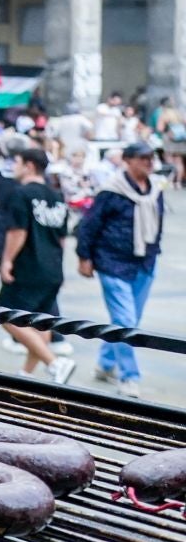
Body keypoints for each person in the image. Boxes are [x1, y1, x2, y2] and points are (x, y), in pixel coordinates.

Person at [75, 140, 164, 397]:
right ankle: (129, 376)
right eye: (143, 157)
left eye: (151, 158)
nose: (149, 162)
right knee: (126, 322)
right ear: (128, 160)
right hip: (112, 263)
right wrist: (84, 257)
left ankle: (105, 364)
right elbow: (89, 225)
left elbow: (157, 225)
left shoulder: (155, 189)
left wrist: (153, 253)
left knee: (128, 321)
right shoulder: (111, 191)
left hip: (145, 262)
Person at [0, 148, 77, 383]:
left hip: (28, 266)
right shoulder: (56, 196)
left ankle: (55, 363)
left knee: (6, 315)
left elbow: (18, 232)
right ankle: (27, 375)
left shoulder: (21, 194)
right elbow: (62, 238)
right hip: (52, 267)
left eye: (17, 161)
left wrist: (7, 260)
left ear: (29, 166)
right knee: (42, 323)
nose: (14, 166)